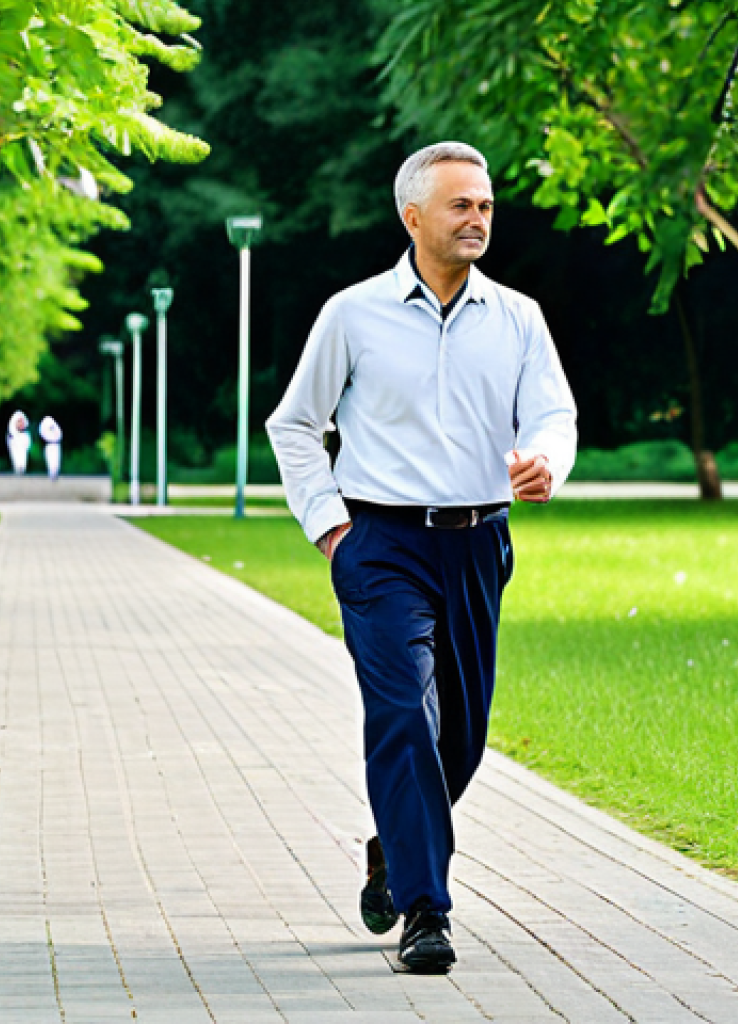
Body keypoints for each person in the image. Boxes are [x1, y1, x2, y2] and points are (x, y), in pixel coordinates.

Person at [266, 142, 577, 973]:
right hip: (380, 544)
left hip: (479, 542)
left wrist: (547, 459)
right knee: (405, 713)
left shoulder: (518, 317)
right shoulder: (353, 314)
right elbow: (293, 425)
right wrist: (331, 526)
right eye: (460, 206)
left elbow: (554, 415)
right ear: (413, 217)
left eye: (484, 205)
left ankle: (390, 848)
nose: (478, 218)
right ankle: (426, 911)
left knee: (461, 741)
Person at [6, 410, 31, 476]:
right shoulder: (11, 433)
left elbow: (27, 444)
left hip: (22, 440)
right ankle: (17, 468)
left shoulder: (25, 434)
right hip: (14, 440)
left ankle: (22, 468)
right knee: (15, 455)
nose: (20, 423)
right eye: (19, 421)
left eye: (21, 421)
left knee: (23, 454)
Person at [39, 415, 63, 481]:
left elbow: (59, 435)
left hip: (56, 445)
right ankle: (52, 474)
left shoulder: (55, 427)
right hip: (48, 445)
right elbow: (42, 435)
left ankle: (55, 474)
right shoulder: (43, 428)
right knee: (50, 460)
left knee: (56, 460)